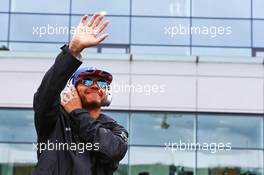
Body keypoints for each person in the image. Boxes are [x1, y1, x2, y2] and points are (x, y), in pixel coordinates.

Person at [31, 12, 128, 175]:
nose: (96, 85)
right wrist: (73, 51)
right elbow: (45, 95)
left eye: (102, 83)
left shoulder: (115, 129)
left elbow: (112, 151)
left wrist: (77, 112)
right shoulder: (55, 119)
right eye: (87, 81)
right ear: (71, 89)